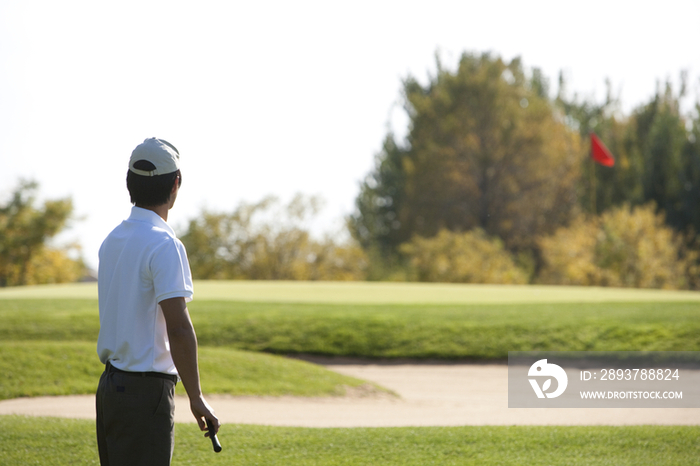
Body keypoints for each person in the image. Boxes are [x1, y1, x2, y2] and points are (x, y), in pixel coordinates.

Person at [96, 137, 219, 465]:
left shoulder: (111, 241)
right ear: (176, 183)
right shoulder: (165, 245)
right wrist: (197, 397)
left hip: (110, 386)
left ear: (129, 184)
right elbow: (178, 327)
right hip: (145, 394)